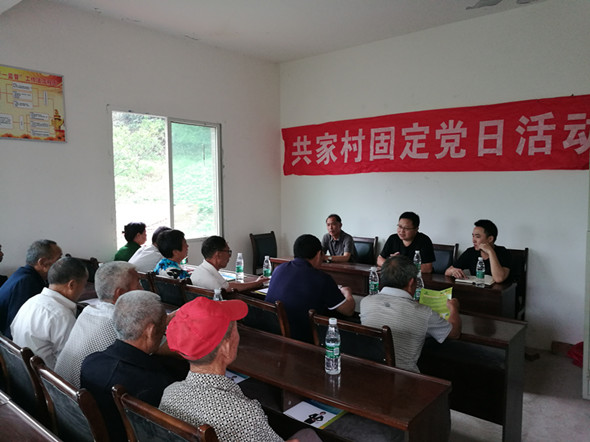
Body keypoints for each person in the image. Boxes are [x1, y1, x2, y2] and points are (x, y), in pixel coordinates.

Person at [160, 296, 320, 442]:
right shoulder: (244, 415)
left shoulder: (169, 394)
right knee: (308, 434)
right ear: (226, 347)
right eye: (236, 330)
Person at [81, 290, 187, 442]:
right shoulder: (157, 385)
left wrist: (163, 321)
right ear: (150, 331)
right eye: (164, 328)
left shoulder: (90, 362)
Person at [360, 255, 461, 373]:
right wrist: (453, 308)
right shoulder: (424, 312)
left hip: (369, 372)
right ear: (411, 282)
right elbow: (454, 333)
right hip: (404, 378)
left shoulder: (366, 302)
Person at [54, 261, 141, 387]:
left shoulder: (88, 311)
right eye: (138, 283)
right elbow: (161, 345)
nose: (142, 289)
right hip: (83, 396)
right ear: (120, 293)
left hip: (61, 392)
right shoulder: (121, 320)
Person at [266, 234, 355, 342]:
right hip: (302, 341)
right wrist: (347, 292)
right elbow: (348, 310)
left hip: (272, 333)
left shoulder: (278, 269)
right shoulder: (322, 279)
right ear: (318, 254)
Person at [11, 257, 88, 368]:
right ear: (71, 285)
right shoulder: (62, 315)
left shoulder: (32, 301)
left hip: (20, 371)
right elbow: (69, 364)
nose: (84, 290)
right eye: (84, 285)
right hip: (44, 377)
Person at [0, 239, 63, 338]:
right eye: (59, 260)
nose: (62, 265)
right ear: (43, 263)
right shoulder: (27, 282)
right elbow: (15, 329)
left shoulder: (23, 273)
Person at [190, 235, 268, 291]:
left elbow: (228, 286)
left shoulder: (199, 270)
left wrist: (255, 283)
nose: (229, 256)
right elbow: (228, 288)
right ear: (218, 254)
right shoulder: (212, 280)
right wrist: (256, 283)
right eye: (228, 252)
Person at [445, 219, 511, 283]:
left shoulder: (503, 252)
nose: (473, 240)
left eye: (477, 237)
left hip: (498, 290)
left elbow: (499, 278)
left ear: (490, 239)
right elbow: (447, 272)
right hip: (477, 288)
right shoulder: (470, 252)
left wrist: (490, 252)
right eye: (473, 236)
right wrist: (453, 271)